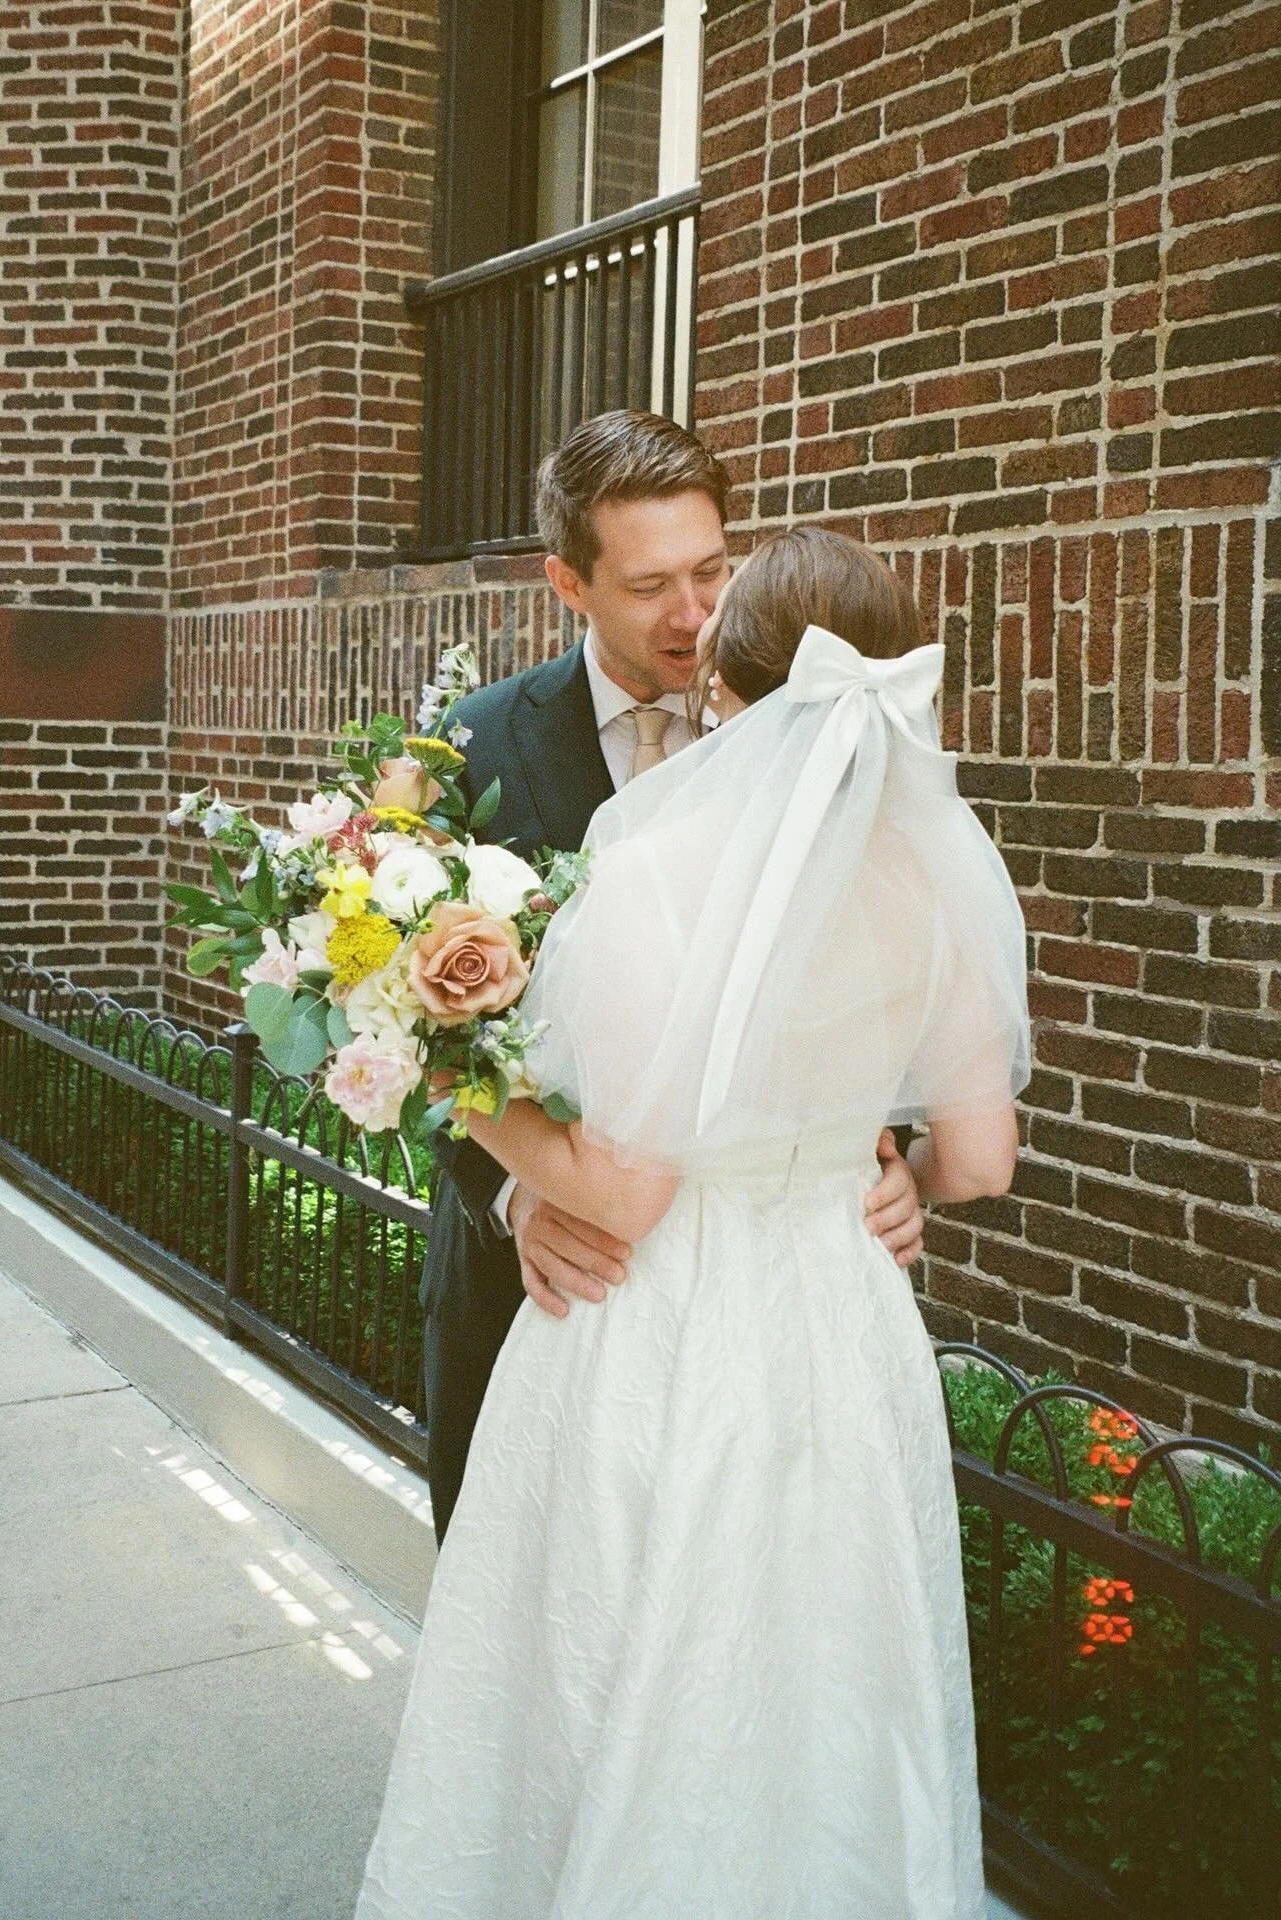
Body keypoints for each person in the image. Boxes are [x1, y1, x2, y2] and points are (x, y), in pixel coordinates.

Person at [355, 525, 1031, 1919]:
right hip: (842, 1326)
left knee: (624, 1661)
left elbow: (624, 1185)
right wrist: (877, 1167)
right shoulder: (937, 877)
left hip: (660, 1323)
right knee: (824, 1674)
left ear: (726, 677)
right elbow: (980, 1156)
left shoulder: (659, 863)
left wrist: (427, 1056)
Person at [421, 411, 927, 1543]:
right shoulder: (472, 748)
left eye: (711, 570)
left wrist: (894, 1154)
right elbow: (401, 1022)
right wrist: (513, 1196)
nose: (695, 617)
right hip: (541, 1286)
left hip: (762, 1327)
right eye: (651, 585)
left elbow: (863, 969)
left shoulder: (815, 729)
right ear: (568, 582)